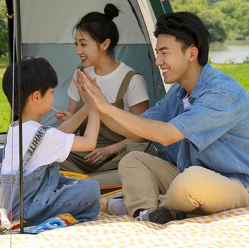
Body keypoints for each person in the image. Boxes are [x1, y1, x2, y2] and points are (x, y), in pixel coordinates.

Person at [78, 11, 249, 224]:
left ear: (191, 53)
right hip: (184, 174)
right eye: (157, 52)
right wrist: (97, 106)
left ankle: (157, 205)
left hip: (234, 183)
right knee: (133, 160)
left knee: (190, 183)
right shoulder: (177, 93)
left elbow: (167, 135)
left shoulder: (222, 94)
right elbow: (136, 130)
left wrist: (107, 108)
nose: (158, 61)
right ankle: (146, 212)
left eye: (164, 53)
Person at [0, 57, 101, 226]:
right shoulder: (41, 135)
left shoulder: (18, 128)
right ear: (37, 96)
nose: (53, 97)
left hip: (13, 205)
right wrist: (96, 106)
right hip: (30, 209)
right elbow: (89, 143)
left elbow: (57, 134)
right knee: (90, 189)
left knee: (66, 181)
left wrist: (86, 107)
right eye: (52, 92)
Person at [57, 3, 154, 174]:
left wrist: (108, 150)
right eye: (76, 44)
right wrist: (67, 120)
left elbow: (141, 136)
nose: (78, 50)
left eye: (83, 44)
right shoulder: (80, 74)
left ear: (104, 44)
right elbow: (72, 122)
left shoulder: (132, 80)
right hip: (84, 154)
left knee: (139, 151)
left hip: (118, 156)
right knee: (49, 152)